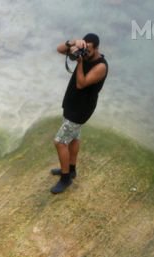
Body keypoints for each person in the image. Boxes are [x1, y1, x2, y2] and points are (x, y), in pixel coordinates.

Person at [51, 33, 108, 194]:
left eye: (89, 50)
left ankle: (65, 178)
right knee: (74, 137)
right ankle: (71, 169)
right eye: (85, 48)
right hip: (71, 102)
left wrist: (80, 61)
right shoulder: (82, 51)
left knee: (60, 142)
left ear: (97, 48)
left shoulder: (101, 66)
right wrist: (74, 43)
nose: (86, 52)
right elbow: (59, 49)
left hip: (81, 109)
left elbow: (81, 83)